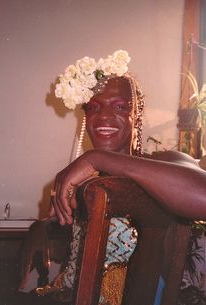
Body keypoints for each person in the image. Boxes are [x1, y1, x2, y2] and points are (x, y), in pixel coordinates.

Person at [17, 50, 206, 305]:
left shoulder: (163, 162)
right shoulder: (79, 179)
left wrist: (97, 157)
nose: (104, 116)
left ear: (136, 115)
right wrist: (40, 228)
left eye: (120, 107)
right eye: (94, 107)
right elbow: (55, 225)